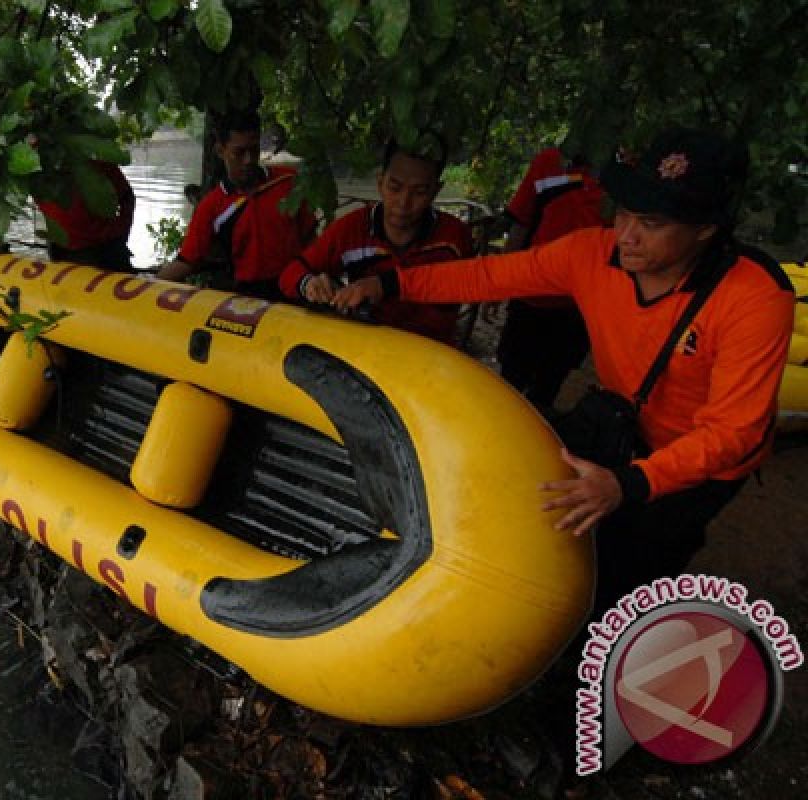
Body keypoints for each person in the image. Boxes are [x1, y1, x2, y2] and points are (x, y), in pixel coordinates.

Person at [332, 127, 795, 608]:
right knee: (549, 517)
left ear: (705, 228)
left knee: (635, 562)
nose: (627, 235)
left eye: (652, 223)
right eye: (625, 212)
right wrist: (389, 285)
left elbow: (733, 432)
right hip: (624, 424)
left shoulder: (756, 296)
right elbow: (490, 275)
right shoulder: (592, 253)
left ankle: (602, 647)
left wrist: (628, 484)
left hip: (703, 466)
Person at [277, 138, 473, 343]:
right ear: (380, 183)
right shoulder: (351, 228)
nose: (404, 203)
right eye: (395, 188)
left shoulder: (455, 238)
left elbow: (472, 287)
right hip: (367, 348)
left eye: (419, 192)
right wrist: (310, 284)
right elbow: (290, 274)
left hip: (432, 351)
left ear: (435, 192)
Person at [157, 109, 316, 301]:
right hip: (248, 298)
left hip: (297, 289)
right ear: (220, 151)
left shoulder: (288, 181)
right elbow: (187, 261)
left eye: (254, 150)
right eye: (239, 153)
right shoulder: (211, 206)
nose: (248, 160)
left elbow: (312, 240)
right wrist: (148, 284)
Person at [494, 145, 607, 408]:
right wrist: (499, 284)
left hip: (579, 307)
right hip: (531, 298)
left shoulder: (622, 173)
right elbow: (521, 223)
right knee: (509, 382)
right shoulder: (550, 161)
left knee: (550, 383)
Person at [36, 159, 136, 271]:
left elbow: (127, 197)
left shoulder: (96, 161)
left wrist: (121, 232)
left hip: (100, 247)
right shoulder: (36, 164)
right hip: (59, 247)